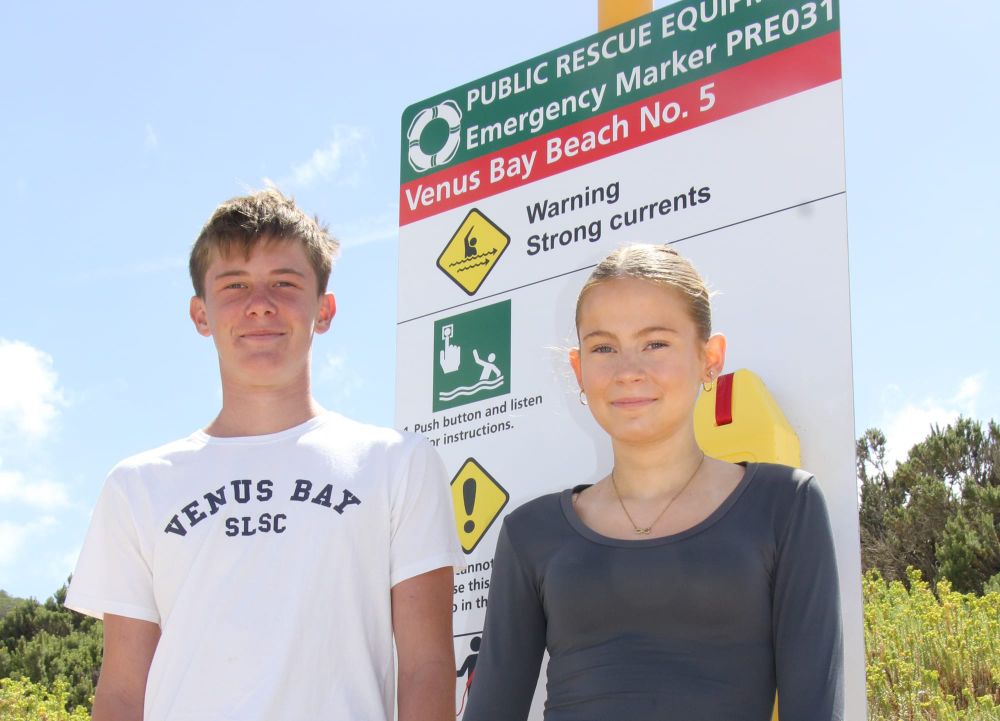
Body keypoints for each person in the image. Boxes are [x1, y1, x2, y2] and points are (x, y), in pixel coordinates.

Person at [65, 189, 464, 721]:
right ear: (200, 314)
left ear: (324, 310)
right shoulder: (136, 485)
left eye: (284, 283)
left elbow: (426, 667)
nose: (260, 303)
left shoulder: (398, 463)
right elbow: (120, 691)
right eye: (234, 285)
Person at [463, 244, 844, 721]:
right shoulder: (530, 533)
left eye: (655, 344)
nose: (628, 372)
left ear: (710, 357)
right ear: (579, 370)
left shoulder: (785, 505)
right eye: (604, 348)